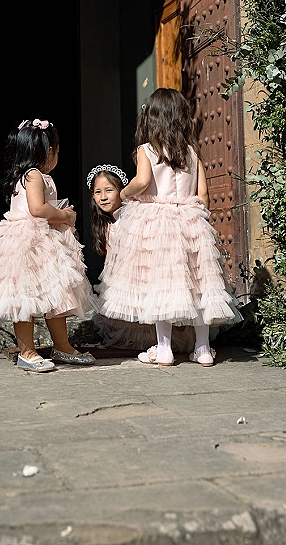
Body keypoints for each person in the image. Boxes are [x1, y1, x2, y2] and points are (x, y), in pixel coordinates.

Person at [96, 89, 242, 367]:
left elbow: (141, 182)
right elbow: (203, 196)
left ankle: (164, 349)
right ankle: (203, 349)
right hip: (189, 220)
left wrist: (124, 195)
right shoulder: (190, 152)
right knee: (199, 284)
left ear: (151, 119)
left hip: (157, 223)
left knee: (159, 285)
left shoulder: (146, 150)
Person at [0, 118, 97, 372]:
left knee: (56, 297)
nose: (57, 155)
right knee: (25, 299)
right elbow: (38, 209)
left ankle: (62, 346)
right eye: (57, 151)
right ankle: (27, 351)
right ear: (49, 152)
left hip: (43, 243)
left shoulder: (34, 176)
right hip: (29, 245)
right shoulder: (34, 175)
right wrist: (66, 216)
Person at [88, 163, 196, 354]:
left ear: (122, 191)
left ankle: (165, 341)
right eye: (97, 192)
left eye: (109, 190)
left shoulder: (134, 220)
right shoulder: (105, 225)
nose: (103, 197)